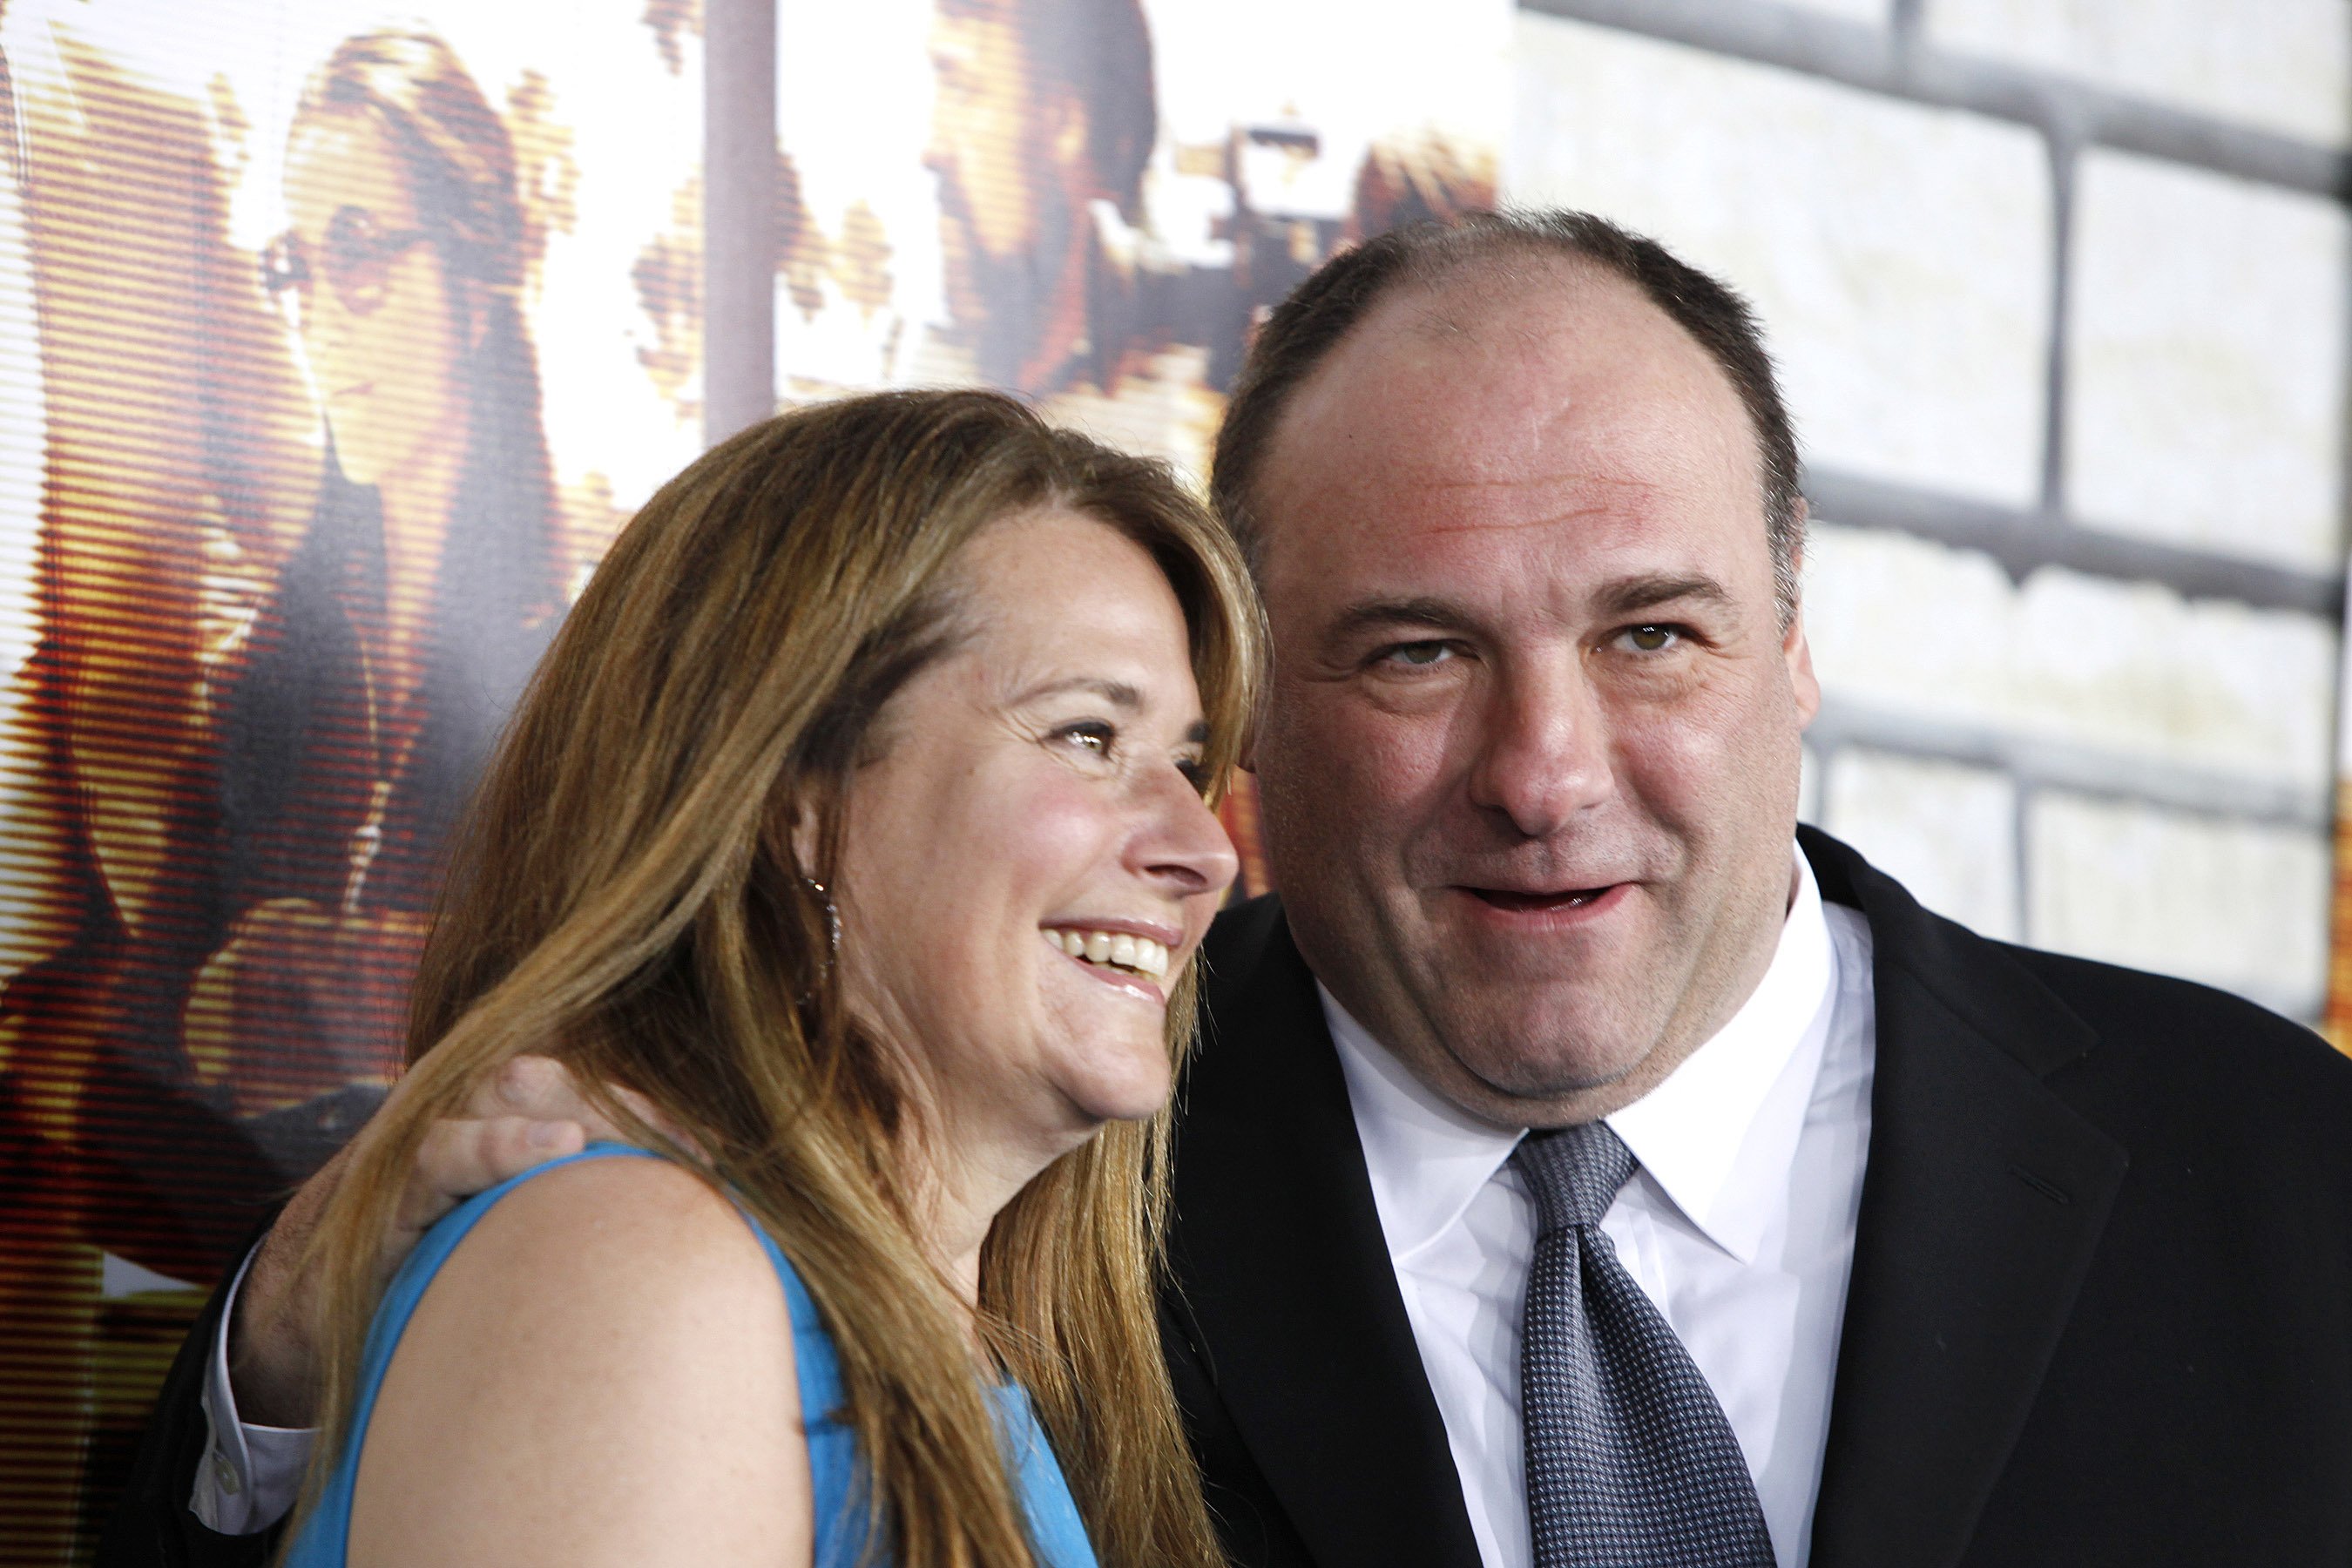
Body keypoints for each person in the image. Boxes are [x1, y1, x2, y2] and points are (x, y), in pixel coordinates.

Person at [111, 211, 2352, 1568]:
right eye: (1415, 653)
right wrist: (295, 1350)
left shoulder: (2282, 1180)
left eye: (1650, 632)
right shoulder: (1024, 1158)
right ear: (1278, 705)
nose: (1544, 772)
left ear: (1798, 652)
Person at [139, 385, 1256, 1567]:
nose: (1206, 850)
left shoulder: (972, 1352)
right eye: (1090, 735)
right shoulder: (636, 1277)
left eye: (1187, 761)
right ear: (798, 801)